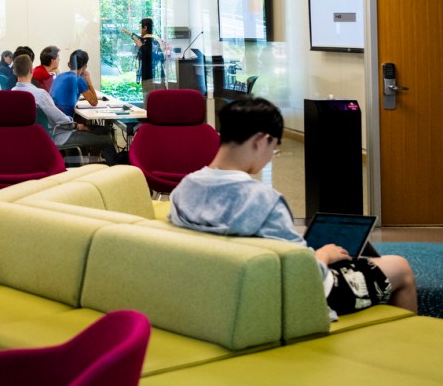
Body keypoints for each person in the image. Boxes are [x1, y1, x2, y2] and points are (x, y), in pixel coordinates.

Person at [169, 98, 417, 318]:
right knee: (399, 266)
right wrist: (324, 256)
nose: (269, 156)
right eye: (274, 148)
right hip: (296, 295)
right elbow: (302, 274)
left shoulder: (184, 189)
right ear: (261, 140)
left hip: (219, 290)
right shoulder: (263, 201)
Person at [12, 53, 106, 152]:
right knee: (104, 139)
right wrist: (76, 125)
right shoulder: (40, 95)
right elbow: (59, 119)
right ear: (31, 70)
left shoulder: (11, 95)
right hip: (55, 137)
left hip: (26, 140)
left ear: (14, 72)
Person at [50, 49, 100, 117]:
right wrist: (88, 81)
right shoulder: (78, 79)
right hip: (66, 120)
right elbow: (94, 102)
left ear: (69, 64)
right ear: (85, 67)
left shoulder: (59, 76)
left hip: (54, 118)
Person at [128, 18, 166, 100]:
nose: (139, 29)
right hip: (159, 76)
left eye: (140, 27)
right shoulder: (156, 39)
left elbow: (146, 53)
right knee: (161, 101)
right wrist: (129, 33)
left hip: (149, 77)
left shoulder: (148, 41)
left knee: (150, 102)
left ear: (145, 28)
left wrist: (140, 46)